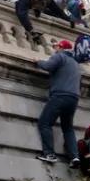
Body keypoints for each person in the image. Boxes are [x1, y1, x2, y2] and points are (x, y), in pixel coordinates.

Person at [35, 40, 82, 168]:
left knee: (45, 123)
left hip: (60, 95)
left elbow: (48, 66)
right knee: (68, 127)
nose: (55, 49)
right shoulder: (76, 63)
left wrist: (38, 61)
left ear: (61, 48)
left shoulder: (59, 56)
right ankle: (75, 156)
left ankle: (50, 154)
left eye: (56, 47)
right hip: (74, 98)